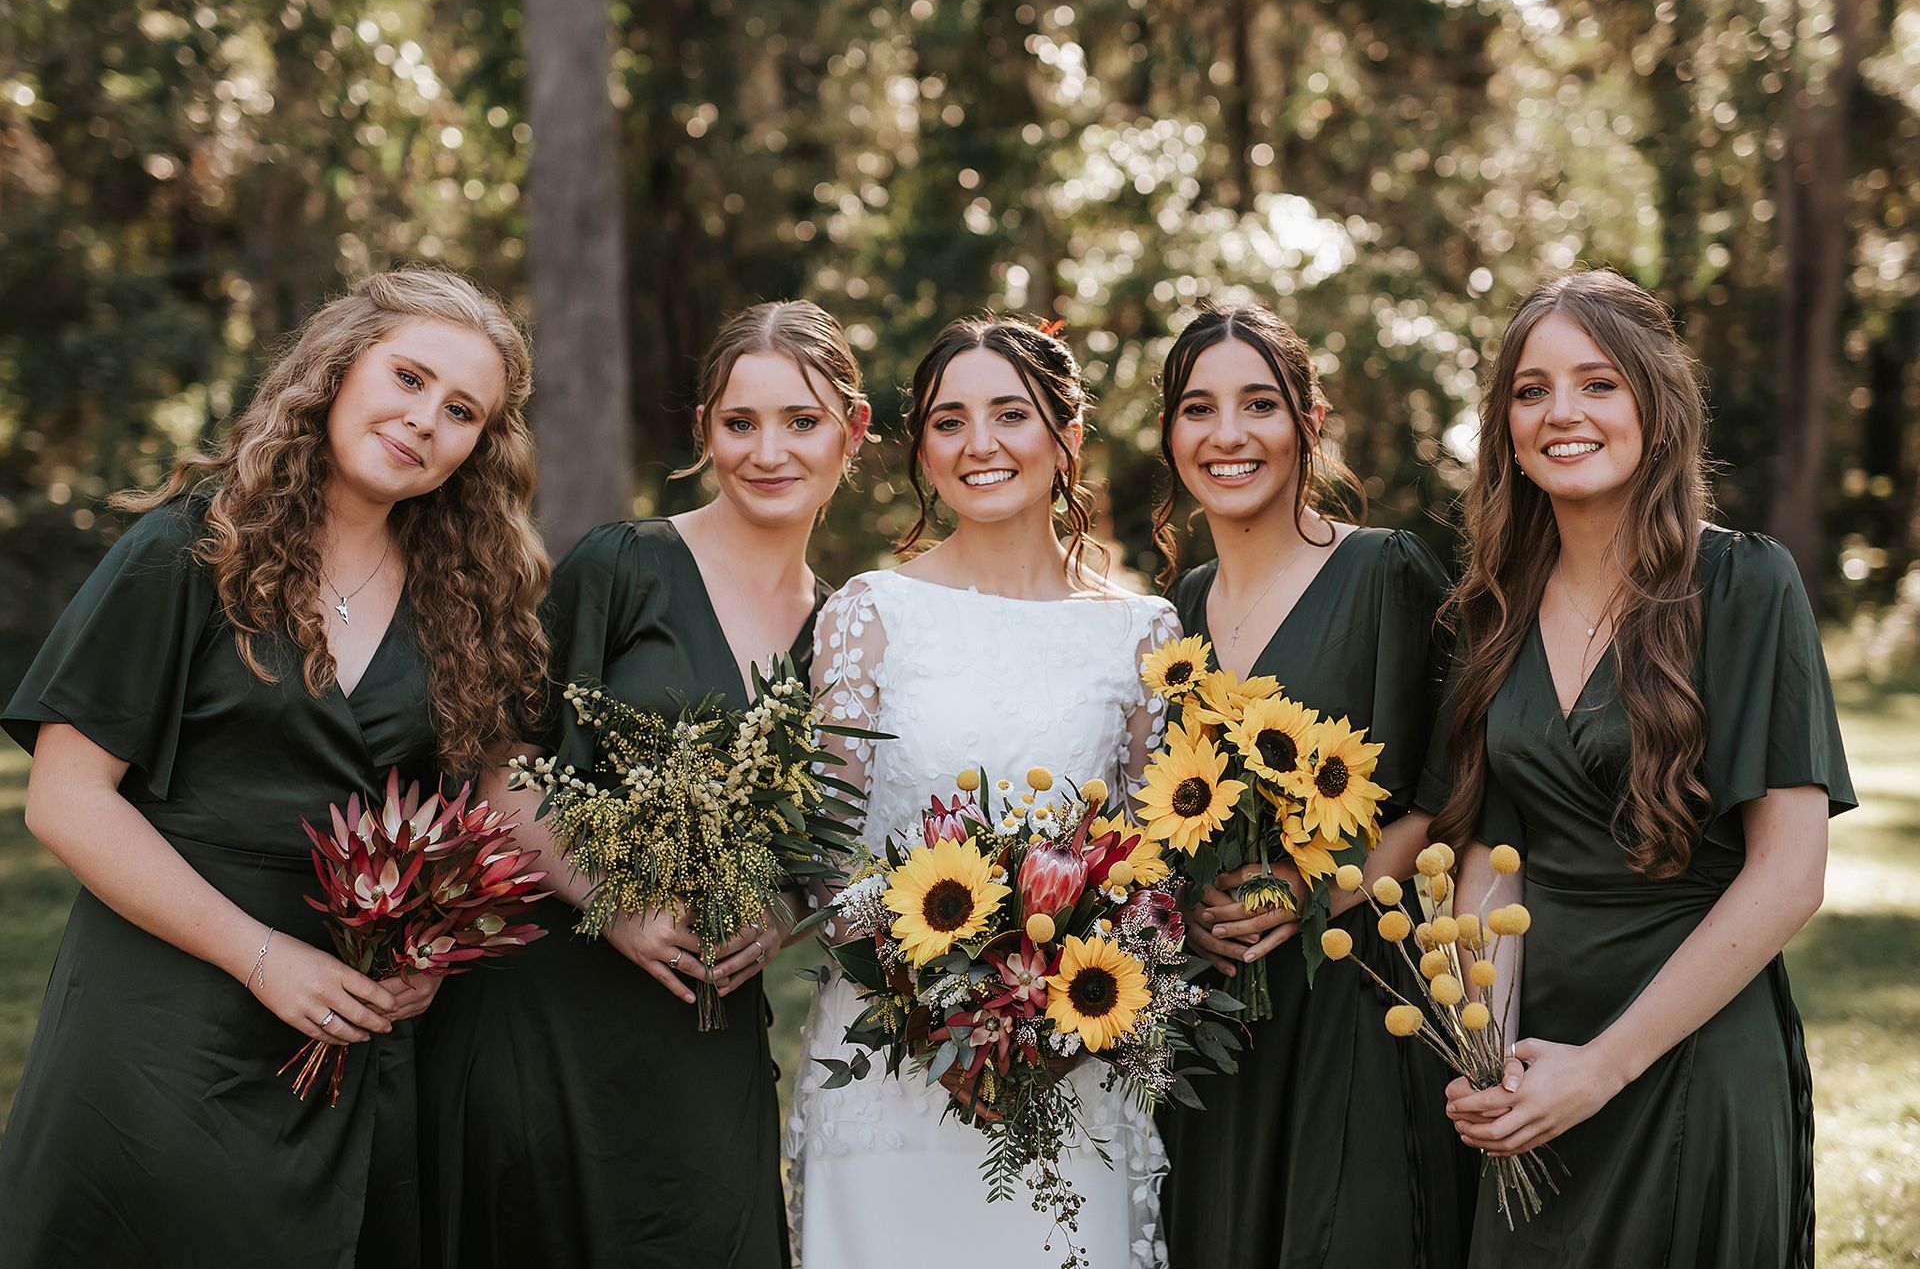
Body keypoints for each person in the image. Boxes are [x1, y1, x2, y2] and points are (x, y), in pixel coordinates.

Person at [0, 267, 547, 1267]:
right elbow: (67, 801)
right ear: (339, 369)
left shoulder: (466, 600)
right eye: (410, 377)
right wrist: (260, 955)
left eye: (462, 409)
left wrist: (427, 945)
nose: (426, 420)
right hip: (162, 1034)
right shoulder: (188, 552)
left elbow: (477, 802)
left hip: (354, 1045)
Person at [418, 299, 870, 1268]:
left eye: (800, 419)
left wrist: (777, 911)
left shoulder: (845, 632)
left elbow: (823, 832)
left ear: (852, 429)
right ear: (704, 428)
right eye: (739, 421)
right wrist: (613, 901)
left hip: (701, 1023)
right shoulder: (621, 566)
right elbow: (503, 763)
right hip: (546, 1003)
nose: (768, 449)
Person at [1424, 269, 1853, 1267]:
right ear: (1506, 427)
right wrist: (1487, 1040)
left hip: (1692, 1052)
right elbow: (1495, 843)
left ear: (1656, 409)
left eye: (1597, 383)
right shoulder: (1489, 612)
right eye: (1531, 391)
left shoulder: (1746, 584)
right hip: (1535, 1070)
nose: (1560, 412)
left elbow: (1790, 875)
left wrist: (1605, 1067)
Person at [784, 316, 1180, 1268]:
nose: (980, 445)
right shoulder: (870, 614)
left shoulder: (1142, 632)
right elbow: (821, 855)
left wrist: (1043, 1003)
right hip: (891, 1063)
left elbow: (1150, 863)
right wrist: (941, 996)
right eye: (949, 422)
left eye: (1011, 414)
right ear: (921, 447)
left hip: (1071, 1063)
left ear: (1068, 437)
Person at [1149, 299, 1468, 1267]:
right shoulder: (1175, 612)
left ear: (1310, 421)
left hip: (1353, 993)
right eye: (1199, 408)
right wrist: (1180, 914)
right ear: (1171, 433)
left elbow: (1443, 789)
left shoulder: (1386, 573)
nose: (1229, 434)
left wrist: (1313, 887)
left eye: (1260, 403)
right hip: (1212, 1015)